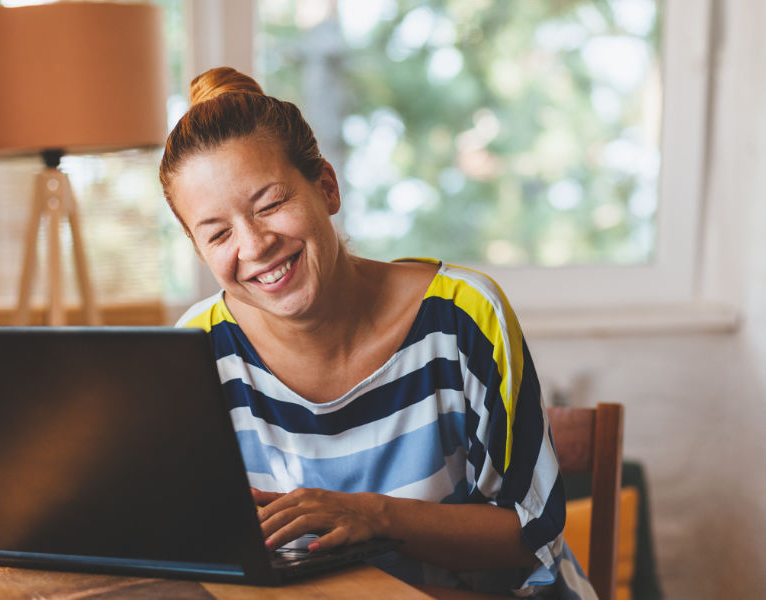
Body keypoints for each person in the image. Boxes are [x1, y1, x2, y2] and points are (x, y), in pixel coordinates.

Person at [159, 66, 595, 599]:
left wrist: (376, 515)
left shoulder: (461, 315)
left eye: (271, 204)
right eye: (219, 233)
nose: (253, 246)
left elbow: (531, 534)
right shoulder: (195, 350)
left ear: (326, 187)